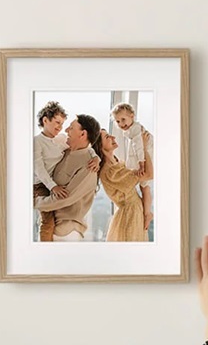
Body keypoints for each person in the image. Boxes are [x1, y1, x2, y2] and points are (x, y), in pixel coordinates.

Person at [32, 101, 99, 242]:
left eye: (70, 127)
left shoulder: (89, 166)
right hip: (54, 224)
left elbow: (66, 197)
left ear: (82, 134)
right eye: (59, 123)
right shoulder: (65, 149)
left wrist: (33, 202)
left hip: (66, 232)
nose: (65, 129)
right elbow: (38, 167)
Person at [92, 128, 153, 241]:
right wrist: (143, 147)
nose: (113, 137)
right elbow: (149, 174)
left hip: (135, 211)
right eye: (107, 137)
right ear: (100, 146)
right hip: (130, 216)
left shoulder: (116, 162)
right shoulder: (110, 171)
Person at [112, 102, 154, 233]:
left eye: (123, 119)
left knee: (145, 186)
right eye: (118, 121)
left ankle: (147, 213)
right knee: (143, 187)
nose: (121, 124)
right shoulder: (131, 130)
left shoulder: (136, 129)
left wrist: (142, 163)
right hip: (140, 157)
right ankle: (146, 212)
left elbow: (139, 147)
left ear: (132, 116)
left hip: (144, 157)